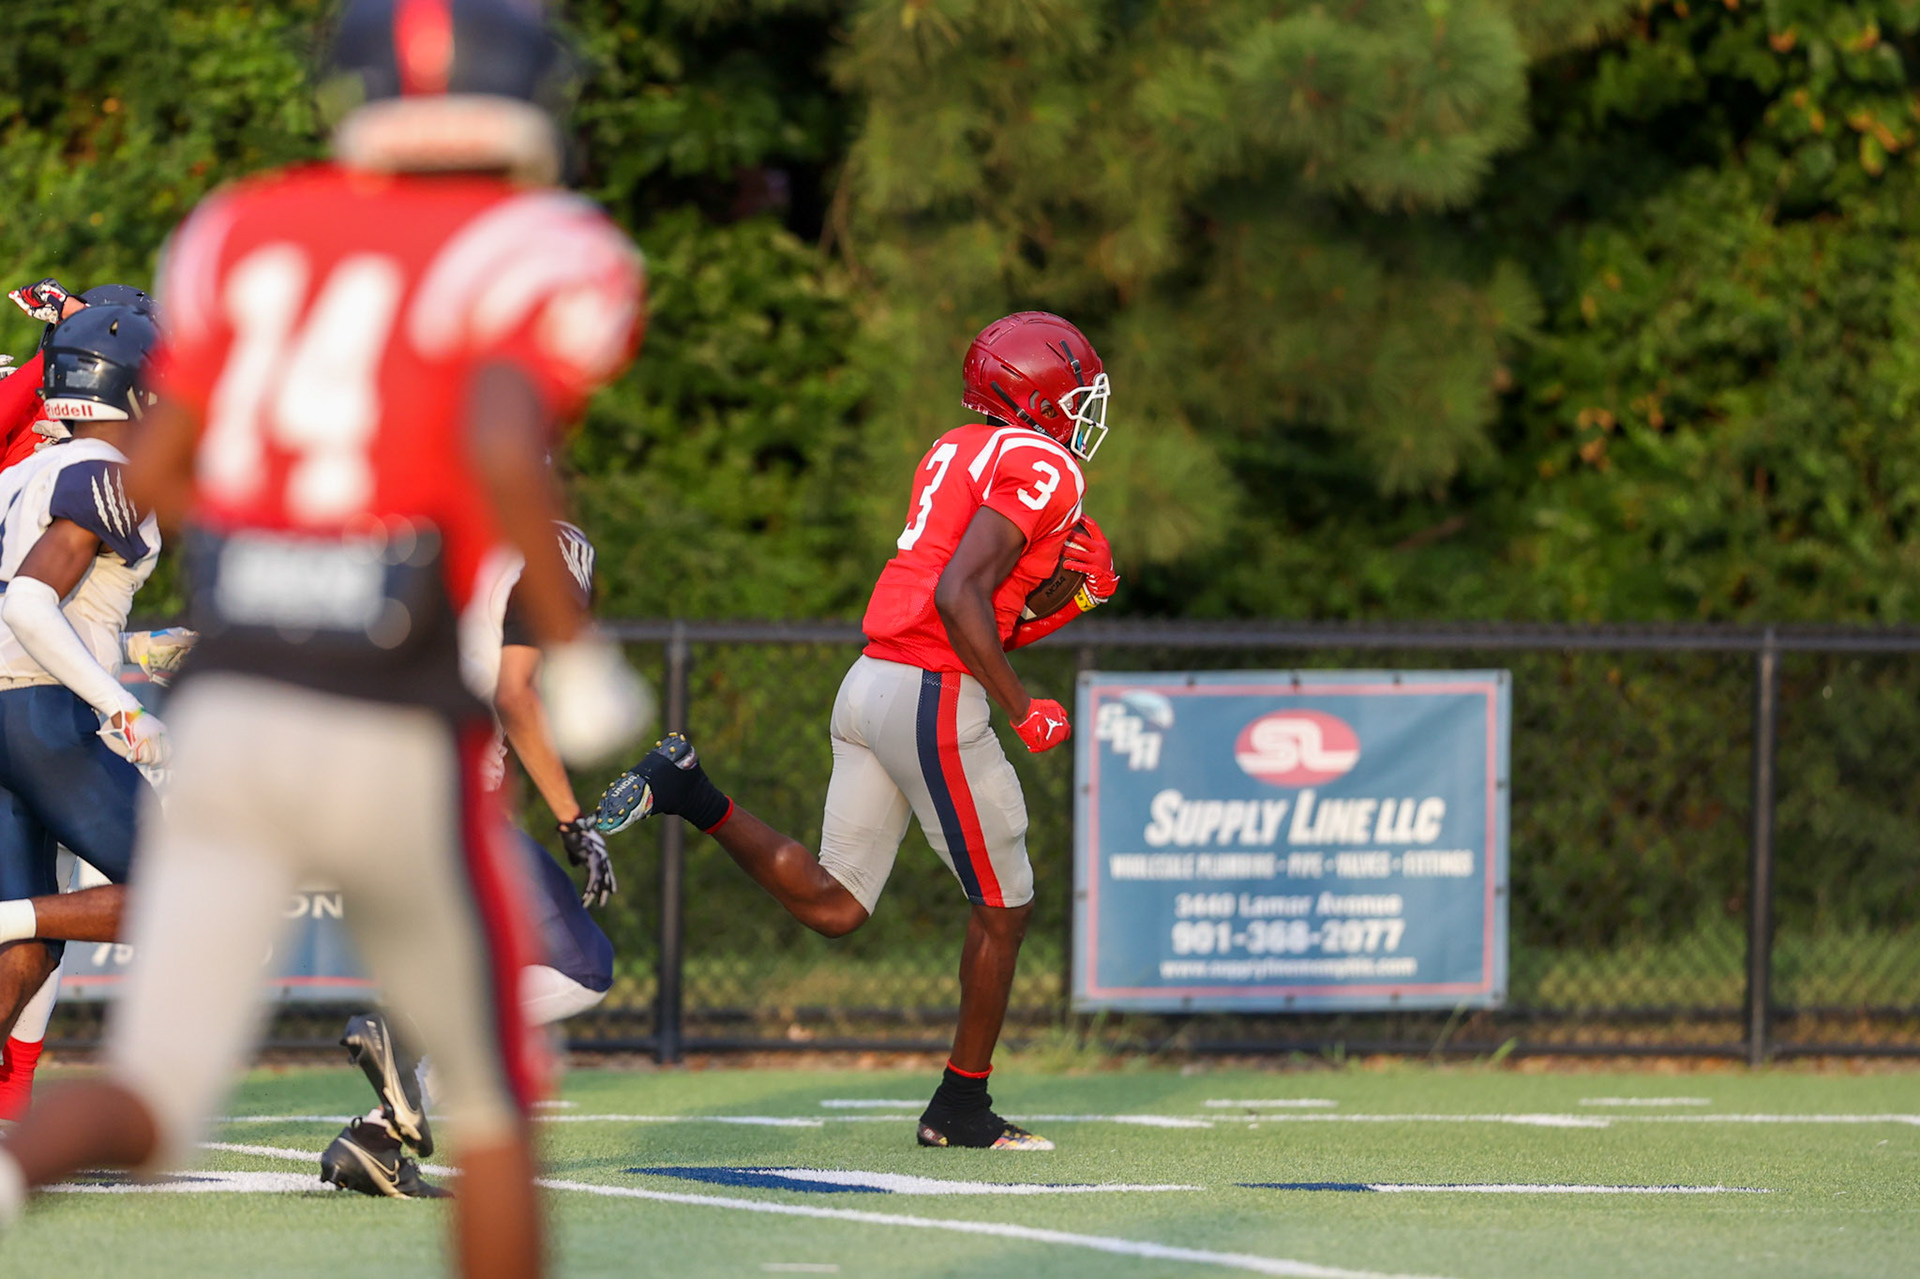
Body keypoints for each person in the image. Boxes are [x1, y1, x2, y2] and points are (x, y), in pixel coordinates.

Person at [0, 6, 651, 1279]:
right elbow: (504, 437)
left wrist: (269, 560)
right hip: (390, 717)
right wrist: (576, 656)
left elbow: (176, 471)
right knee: (496, 1113)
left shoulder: (240, 233)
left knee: (147, 1101)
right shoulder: (535, 250)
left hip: (242, 707)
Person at [598, 311, 1118, 1151]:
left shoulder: (957, 447)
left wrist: (1070, 598)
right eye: (1075, 390)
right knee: (1005, 906)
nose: (1085, 408)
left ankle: (688, 788)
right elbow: (958, 601)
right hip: (929, 694)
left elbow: (981, 606)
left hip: (871, 681)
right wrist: (1026, 709)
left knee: (838, 905)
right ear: (1038, 394)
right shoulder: (1040, 461)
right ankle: (960, 1106)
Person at [324, 519, 620, 1198]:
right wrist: (573, 820)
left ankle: (376, 1138)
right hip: (440, 788)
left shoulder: (424, 528)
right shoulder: (554, 548)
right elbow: (514, 690)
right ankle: (404, 1037)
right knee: (582, 966)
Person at [0, 304, 170, 1105]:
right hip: (44, 717)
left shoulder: (19, 472)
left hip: (12, 712)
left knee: (33, 940)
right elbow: (31, 603)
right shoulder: (105, 472)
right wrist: (122, 704)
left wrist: (135, 650)